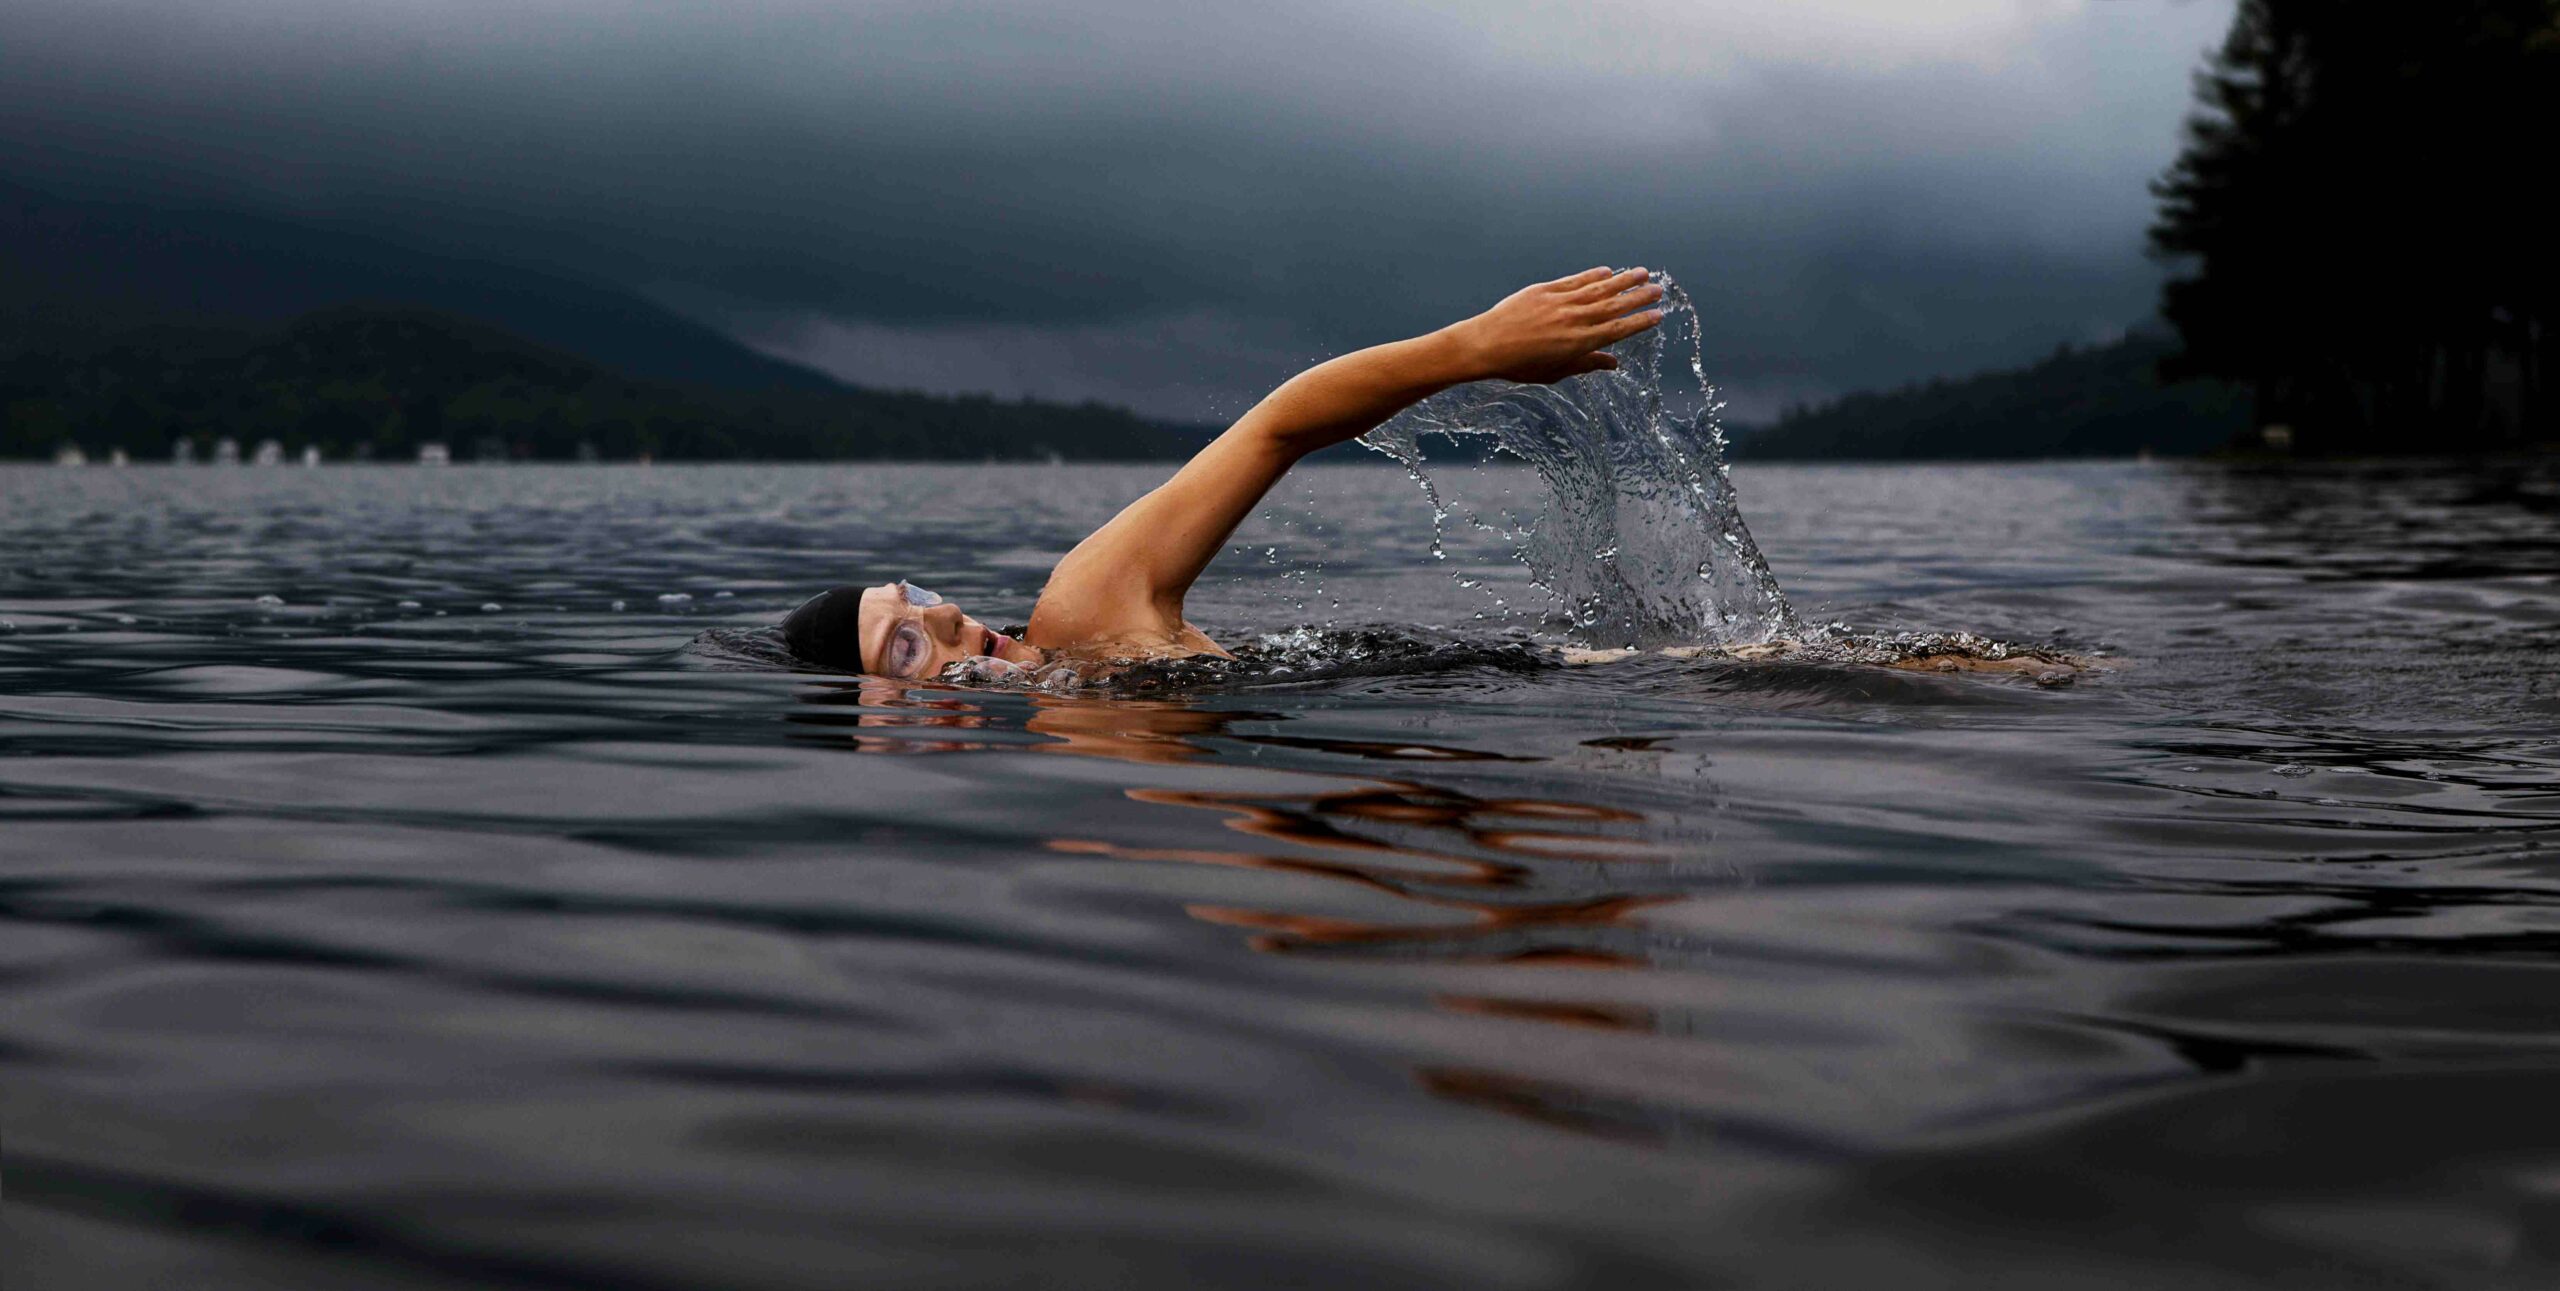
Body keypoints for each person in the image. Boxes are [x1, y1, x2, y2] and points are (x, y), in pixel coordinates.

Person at [781, 266, 1666, 679]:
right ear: (878, 728)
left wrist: (1473, 347)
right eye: (905, 643)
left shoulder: (1084, 614)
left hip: (1615, 679)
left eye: (916, 596)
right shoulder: (1073, 780)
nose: (944, 613)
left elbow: (1274, 429)